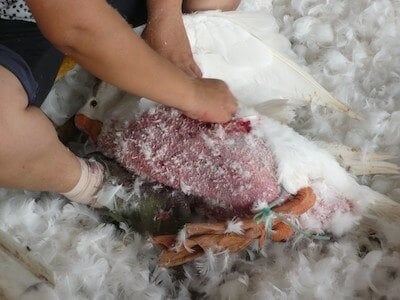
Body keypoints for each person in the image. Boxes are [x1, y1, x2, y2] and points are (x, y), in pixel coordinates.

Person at [0, 0, 239, 207]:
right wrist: (194, 95)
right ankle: (98, 185)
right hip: (21, 20)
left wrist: (165, 17)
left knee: (211, 4)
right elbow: (76, 26)